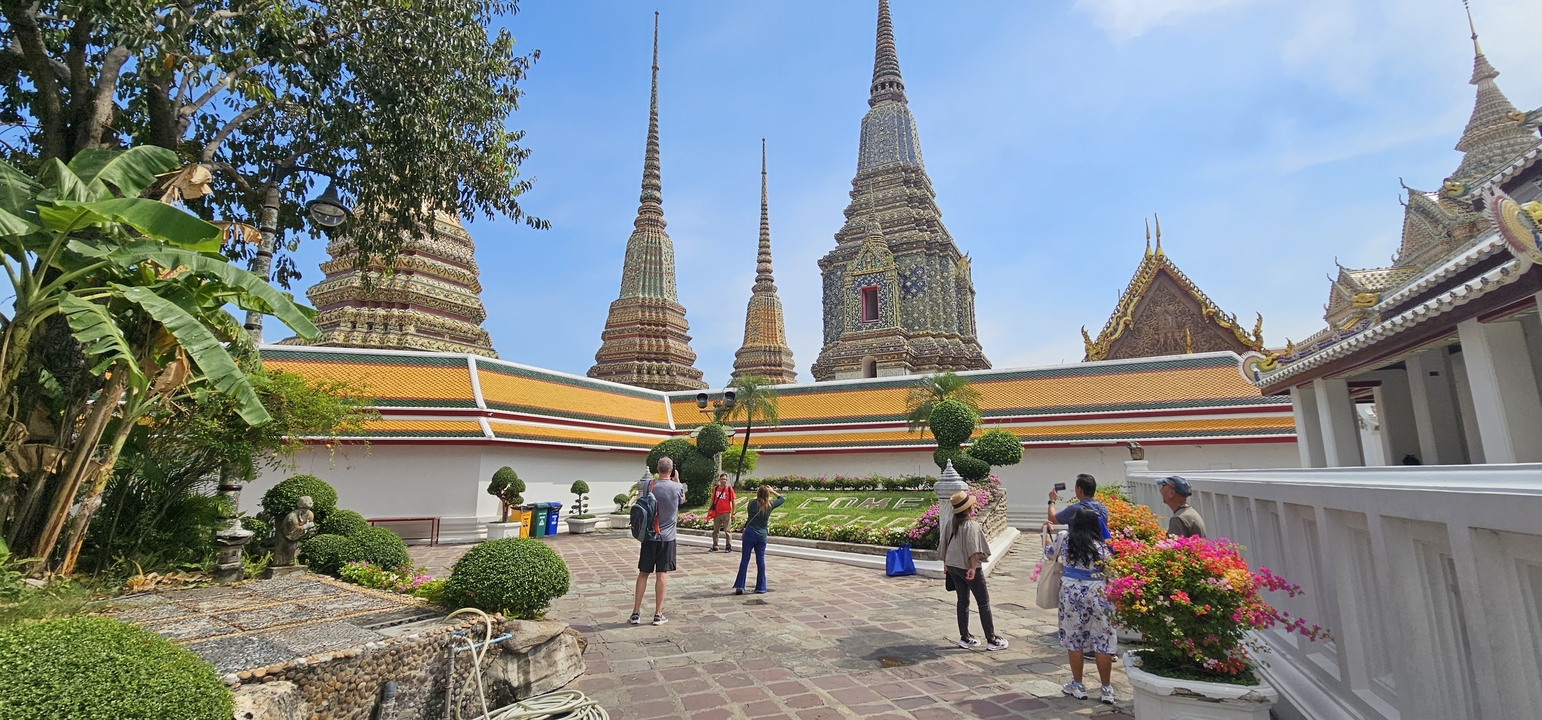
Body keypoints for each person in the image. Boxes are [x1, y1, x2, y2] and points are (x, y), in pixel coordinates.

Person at [1046, 506, 1117, 705]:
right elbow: (1111, 574)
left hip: (1071, 592)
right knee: (1103, 641)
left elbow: (1049, 554)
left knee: (1074, 638)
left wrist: (1045, 537)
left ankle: (1078, 684)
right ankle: (1106, 689)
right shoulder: (1102, 547)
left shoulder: (1065, 538)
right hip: (1098, 592)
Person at [940, 490, 1008, 651]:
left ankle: (965, 637)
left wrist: (946, 563)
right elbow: (973, 549)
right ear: (968, 508)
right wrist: (972, 567)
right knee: (983, 602)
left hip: (953, 566)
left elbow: (943, 544)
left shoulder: (951, 523)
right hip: (967, 567)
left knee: (962, 601)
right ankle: (991, 638)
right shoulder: (972, 525)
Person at [631, 457, 684, 626]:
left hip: (649, 535)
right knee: (661, 574)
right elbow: (682, 500)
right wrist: (677, 480)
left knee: (643, 573)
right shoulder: (677, 487)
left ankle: (636, 612)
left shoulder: (649, 485)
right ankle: (658, 614)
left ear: (657, 469)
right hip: (667, 537)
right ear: (672, 470)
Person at [733, 486, 783, 594]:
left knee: (744, 560)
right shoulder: (770, 505)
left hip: (750, 532)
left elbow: (749, 518)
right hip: (762, 535)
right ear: (767, 494)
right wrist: (773, 491)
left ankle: (740, 586)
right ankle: (761, 587)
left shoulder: (751, 503)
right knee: (760, 561)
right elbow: (782, 499)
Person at [1047, 473, 1111, 540]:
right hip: (1099, 547)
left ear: (1079, 490)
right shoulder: (1103, 508)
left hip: (1080, 548)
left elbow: (1052, 519)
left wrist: (1052, 500)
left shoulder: (1074, 510)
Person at [706, 473, 736, 553]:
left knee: (727, 530)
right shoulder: (716, 489)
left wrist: (734, 513)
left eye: (725, 479)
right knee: (715, 530)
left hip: (726, 512)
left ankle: (728, 547)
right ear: (719, 480)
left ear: (727, 480)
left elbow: (733, 501)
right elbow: (713, 500)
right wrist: (709, 511)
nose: (723, 481)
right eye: (722, 479)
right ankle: (715, 546)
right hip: (717, 512)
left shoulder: (729, 489)